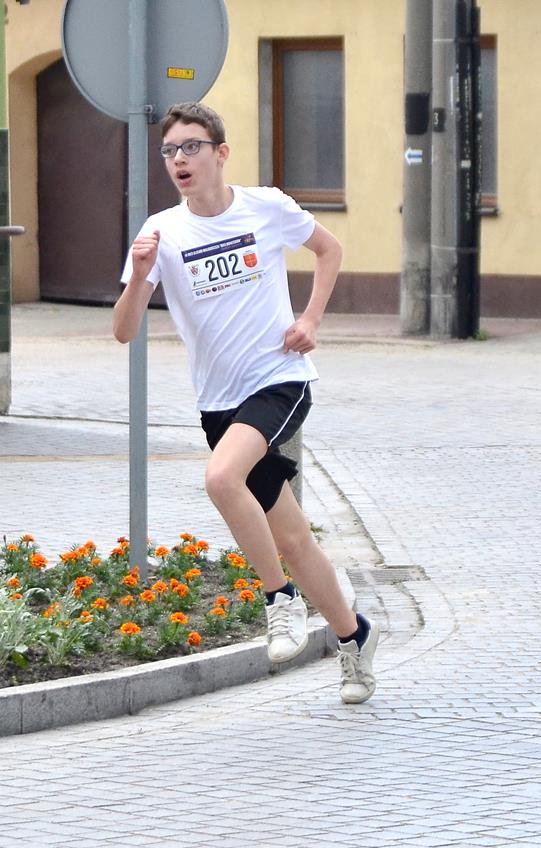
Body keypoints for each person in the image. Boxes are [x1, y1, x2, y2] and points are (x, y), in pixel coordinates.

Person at [112, 101, 377, 704]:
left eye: (191, 147)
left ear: (221, 153)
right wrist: (140, 273)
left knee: (220, 477)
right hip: (219, 405)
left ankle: (279, 600)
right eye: (170, 151)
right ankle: (354, 637)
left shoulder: (266, 207)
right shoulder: (161, 233)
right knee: (294, 540)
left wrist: (310, 319)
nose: (179, 160)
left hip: (279, 380)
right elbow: (124, 331)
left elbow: (329, 249)